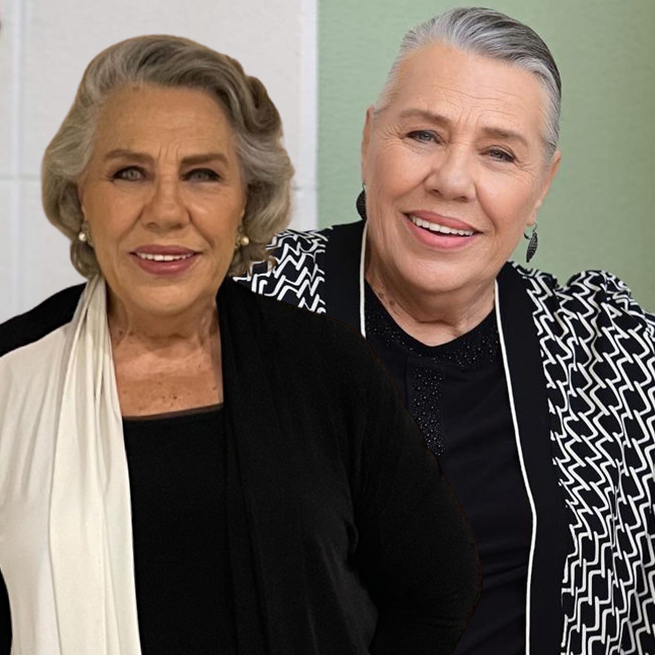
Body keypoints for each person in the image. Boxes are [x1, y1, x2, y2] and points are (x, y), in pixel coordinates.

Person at [0, 35, 481, 654]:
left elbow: (439, 588)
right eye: (129, 173)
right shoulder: (11, 376)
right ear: (80, 197)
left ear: (246, 204)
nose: (166, 211)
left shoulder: (327, 368)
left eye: (202, 175)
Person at [238, 7, 655, 654]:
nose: (453, 180)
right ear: (369, 141)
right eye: (423, 135)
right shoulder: (250, 310)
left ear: (541, 186)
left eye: (499, 153)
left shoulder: (612, 355)